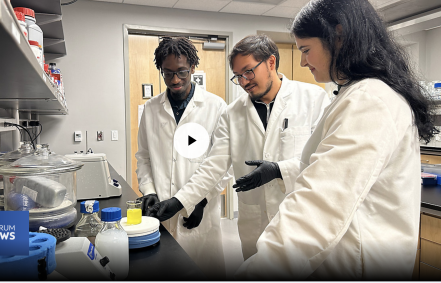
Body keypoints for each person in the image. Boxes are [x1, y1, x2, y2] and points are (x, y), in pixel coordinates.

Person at [234, 0, 438, 280]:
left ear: (338, 37)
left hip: (360, 260)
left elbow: (322, 201)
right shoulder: (354, 94)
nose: (303, 61)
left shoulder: (370, 100)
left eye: (306, 50)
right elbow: (331, 165)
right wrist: (280, 170)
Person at [148, 35, 330, 260]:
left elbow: (325, 160)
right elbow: (214, 166)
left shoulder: (313, 99)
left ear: (271, 63)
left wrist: (279, 170)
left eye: (248, 72)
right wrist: (180, 201)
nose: (243, 81)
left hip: (300, 219)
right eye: (238, 76)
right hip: (255, 223)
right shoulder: (232, 113)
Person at [135, 37, 230, 280]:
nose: (175, 79)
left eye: (182, 72)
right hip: (162, 210)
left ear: (193, 69)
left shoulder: (216, 106)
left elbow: (222, 165)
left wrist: (201, 202)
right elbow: (144, 156)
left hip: (202, 215)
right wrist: (148, 191)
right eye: (167, 73)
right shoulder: (151, 109)